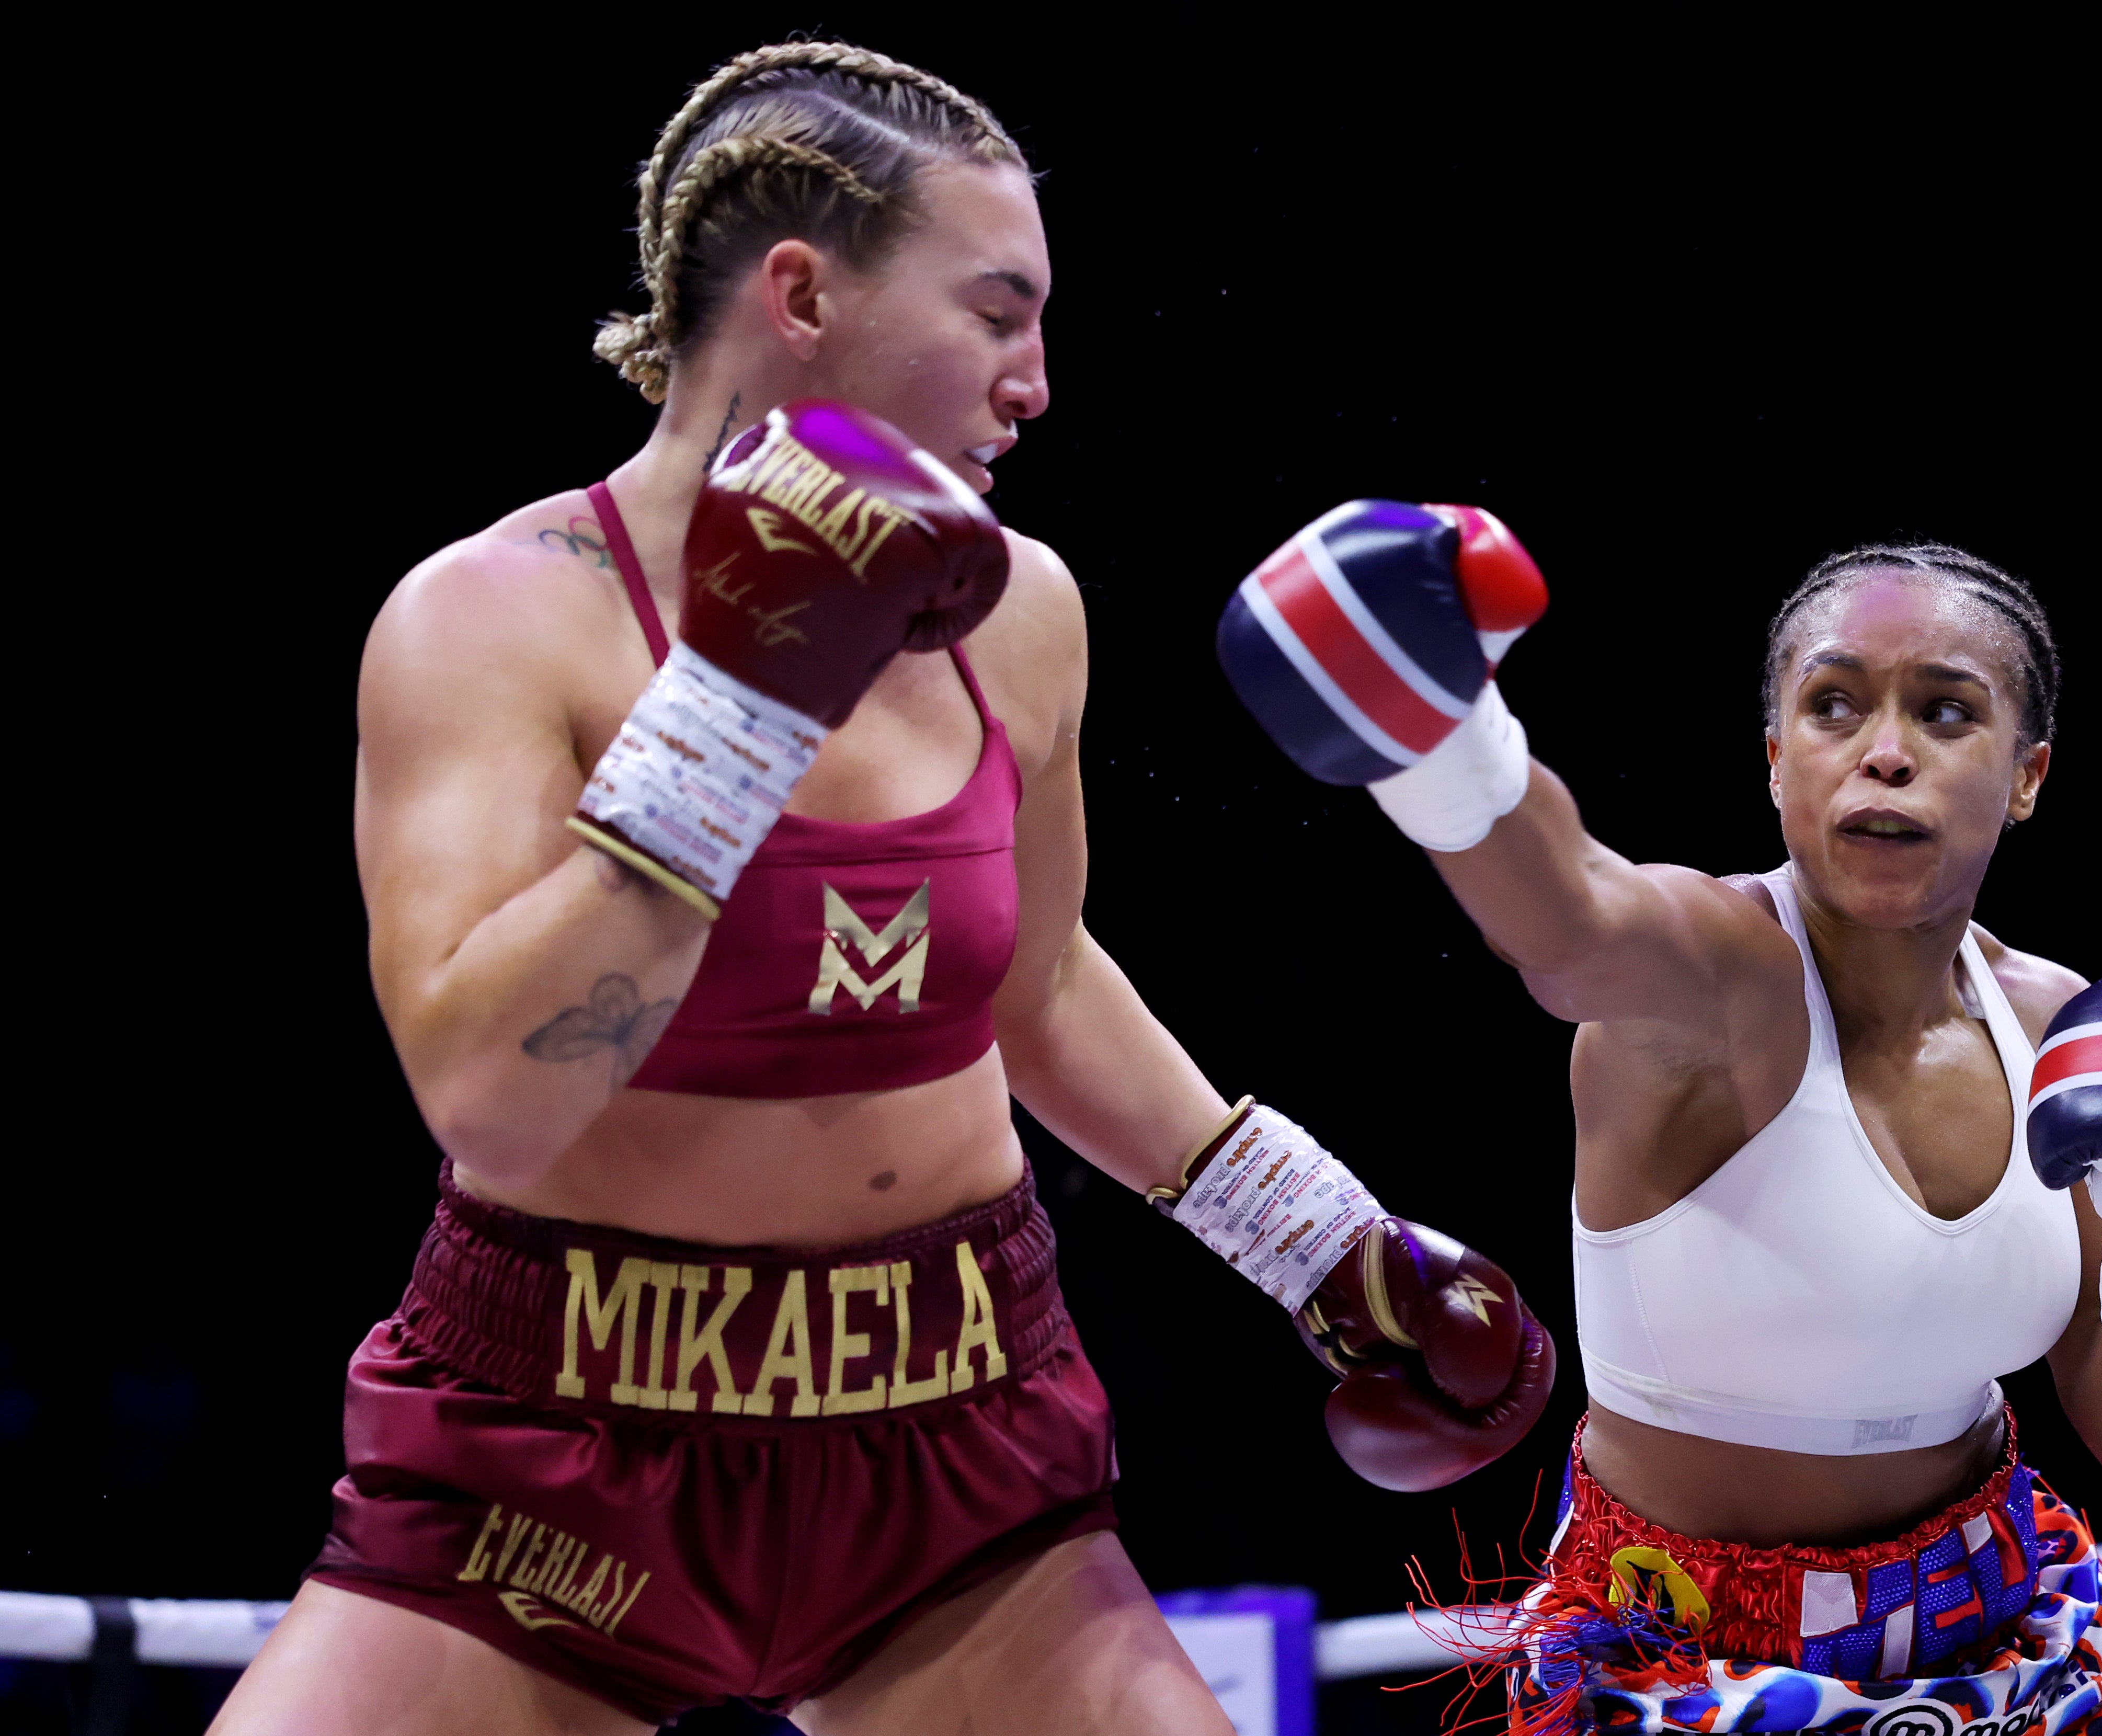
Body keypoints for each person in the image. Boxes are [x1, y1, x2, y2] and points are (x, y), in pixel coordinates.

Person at [214, 45, 1551, 1736]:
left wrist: (1312, 1241)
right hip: (563, 1442)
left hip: (953, 1431)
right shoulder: (493, 621)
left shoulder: (1023, 611)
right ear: (801, 295)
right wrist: (737, 701)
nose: (1038, 382)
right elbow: (492, 1104)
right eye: (997, 314)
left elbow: (1041, 983)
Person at [1218, 504, 2102, 1733]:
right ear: (1774, 756)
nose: (1884, 751)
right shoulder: (1712, 979)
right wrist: (1443, 737)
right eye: (1835, 706)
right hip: (1685, 1659)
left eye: (1947, 710)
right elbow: (1571, 917)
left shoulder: (2070, 1035)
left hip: (2014, 1626)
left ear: (2027, 776)